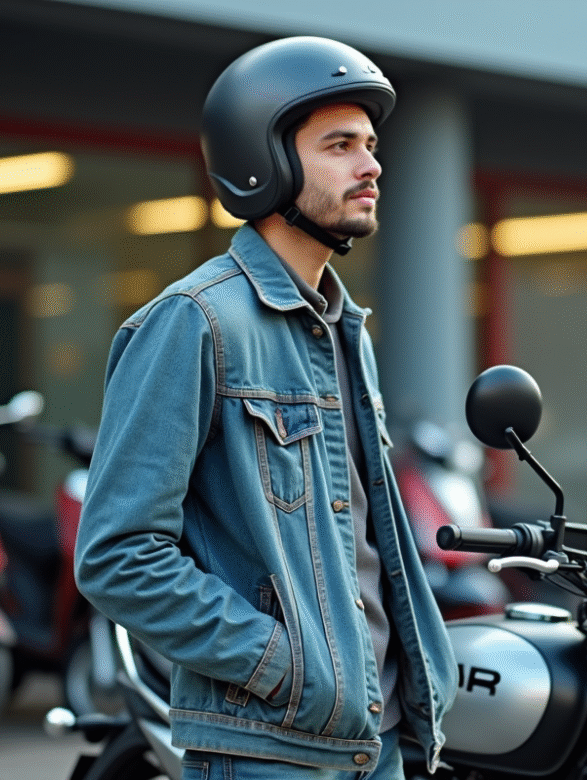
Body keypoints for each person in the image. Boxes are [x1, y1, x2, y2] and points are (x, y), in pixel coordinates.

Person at [75, 36, 456, 779]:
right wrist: (285, 667)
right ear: (267, 161)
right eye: (340, 145)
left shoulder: (347, 331)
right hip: (270, 749)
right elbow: (117, 555)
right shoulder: (197, 321)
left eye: (371, 144)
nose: (371, 165)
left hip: (377, 740)